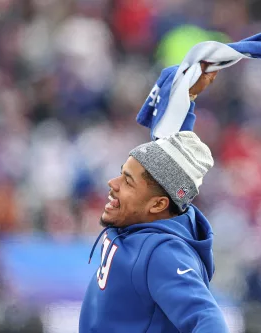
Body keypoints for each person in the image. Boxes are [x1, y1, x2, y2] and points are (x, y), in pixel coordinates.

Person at [79, 65, 229, 332]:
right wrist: (186, 98)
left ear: (158, 204)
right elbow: (168, 159)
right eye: (120, 174)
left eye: (127, 181)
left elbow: (207, 318)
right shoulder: (157, 208)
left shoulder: (163, 252)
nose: (112, 185)